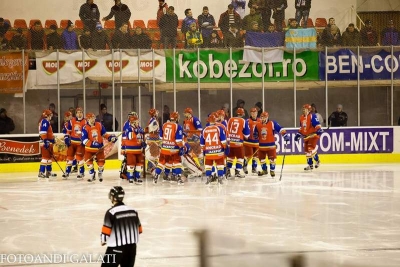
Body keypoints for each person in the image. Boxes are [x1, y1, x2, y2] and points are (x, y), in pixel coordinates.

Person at [101, 186, 142, 267]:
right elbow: (139, 230)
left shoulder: (111, 212)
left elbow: (105, 234)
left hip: (116, 249)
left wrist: (103, 241)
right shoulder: (133, 211)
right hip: (131, 249)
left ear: (113, 197)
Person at [82, 112, 117, 182]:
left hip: (99, 149)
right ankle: (92, 175)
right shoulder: (85, 128)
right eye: (91, 118)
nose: (93, 119)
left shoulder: (99, 125)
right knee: (89, 164)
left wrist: (110, 138)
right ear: (88, 119)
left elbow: (104, 134)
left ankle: (100, 173)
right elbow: (84, 140)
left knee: (101, 164)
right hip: (89, 149)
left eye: (93, 118)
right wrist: (93, 144)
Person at [153, 111, 185, 185]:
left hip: (164, 148)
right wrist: (182, 147)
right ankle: (179, 178)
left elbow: (160, 137)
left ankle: (156, 176)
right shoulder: (177, 126)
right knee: (177, 163)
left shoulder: (164, 125)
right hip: (174, 149)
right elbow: (178, 140)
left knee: (161, 163)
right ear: (177, 118)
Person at [255, 111, 289, 177]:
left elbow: (280, 129)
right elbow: (255, 133)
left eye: (264, 117)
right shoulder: (258, 125)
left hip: (271, 146)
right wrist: (255, 135)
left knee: (272, 159)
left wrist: (285, 135)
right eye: (261, 117)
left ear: (267, 117)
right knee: (261, 159)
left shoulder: (272, 123)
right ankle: (264, 170)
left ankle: (272, 170)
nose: (263, 119)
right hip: (261, 146)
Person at [201, 113, 227, 185]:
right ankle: (220, 178)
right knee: (220, 165)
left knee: (208, 165)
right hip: (218, 151)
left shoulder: (205, 129)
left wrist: (203, 151)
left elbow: (202, 143)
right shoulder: (219, 128)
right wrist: (225, 147)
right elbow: (223, 141)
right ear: (215, 120)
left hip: (208, 152)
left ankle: (208, 178)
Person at [294, 104, 322, 171]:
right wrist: (298, 134)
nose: (303, 110)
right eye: (303, 109)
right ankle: (310, 165)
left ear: (309, 110)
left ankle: (317, 161)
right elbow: (302, 128)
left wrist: (318, 129)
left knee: (310, 148)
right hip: (306, 137)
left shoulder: (312, 116)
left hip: (313, 135)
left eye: (305, 109)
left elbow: (317, 124)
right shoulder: (301, 117)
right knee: (307, 151)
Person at [62, 107, 86, 179]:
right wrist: (66, 138)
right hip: (72, 143)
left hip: (80, 144)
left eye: (81, 112)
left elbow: (87, 132)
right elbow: (68, 131)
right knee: (69, 158)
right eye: (78, 112)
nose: (79, 114)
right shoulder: (72, 121)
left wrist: (84, 139)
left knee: (79, 158)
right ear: (76, 113)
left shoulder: (85, 122)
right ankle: (67, 172)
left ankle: (81, 172)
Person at [226, 108, 250, 178]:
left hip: (230, 142)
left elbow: (226, 130)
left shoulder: (230, 119)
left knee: (230, 157)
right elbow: (247, 135)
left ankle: (227, 170)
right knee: (240, 157)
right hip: (238, 142)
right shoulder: (243, 121)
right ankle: (237, 171)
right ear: (243, 114)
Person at [122, 112, 145, 184]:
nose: (138, 122)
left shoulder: (139, 128)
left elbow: (141, 138)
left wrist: (143, 143)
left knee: (140, 164)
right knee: (131, 164)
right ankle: (130, 177)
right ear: (133, 122)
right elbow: (130, 137)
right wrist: (136, 131)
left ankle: (137, 177)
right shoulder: (128, 129)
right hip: (131, 149)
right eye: (136, 121)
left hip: (138, 150)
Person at [38, 109, 57, 179]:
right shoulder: (45, 121)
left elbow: (47, 133)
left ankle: (48, 171)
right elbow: (43, 132)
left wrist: (52, 139)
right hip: (45, 142)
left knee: (49, 158)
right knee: (45, 158)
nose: (51, 116)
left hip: (48, 141)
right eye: (50, 115)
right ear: (47, 115)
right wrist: (46, 141)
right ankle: (41, 172)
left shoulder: (45, 121)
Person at [243, 108, 260, 174]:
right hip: (248, 141)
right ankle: (244, 166)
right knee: (248, 155)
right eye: (252, 112)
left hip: (257, 142)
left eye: (255, 112)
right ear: (250, 113)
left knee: (256, 156)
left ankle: (254, 167)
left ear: (257, 113)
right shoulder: (247, 121)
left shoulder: (260, 121)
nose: (253, 114)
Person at [144, 108, 161, 173]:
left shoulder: (153, 120)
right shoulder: (154, 121)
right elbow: (154, 130)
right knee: (154, 155)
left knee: (154, 154)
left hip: (153, 138)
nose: (157, 113)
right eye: (156, 112)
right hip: (154, 138)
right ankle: (151, 168)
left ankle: (149, 167)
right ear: (154, 113)